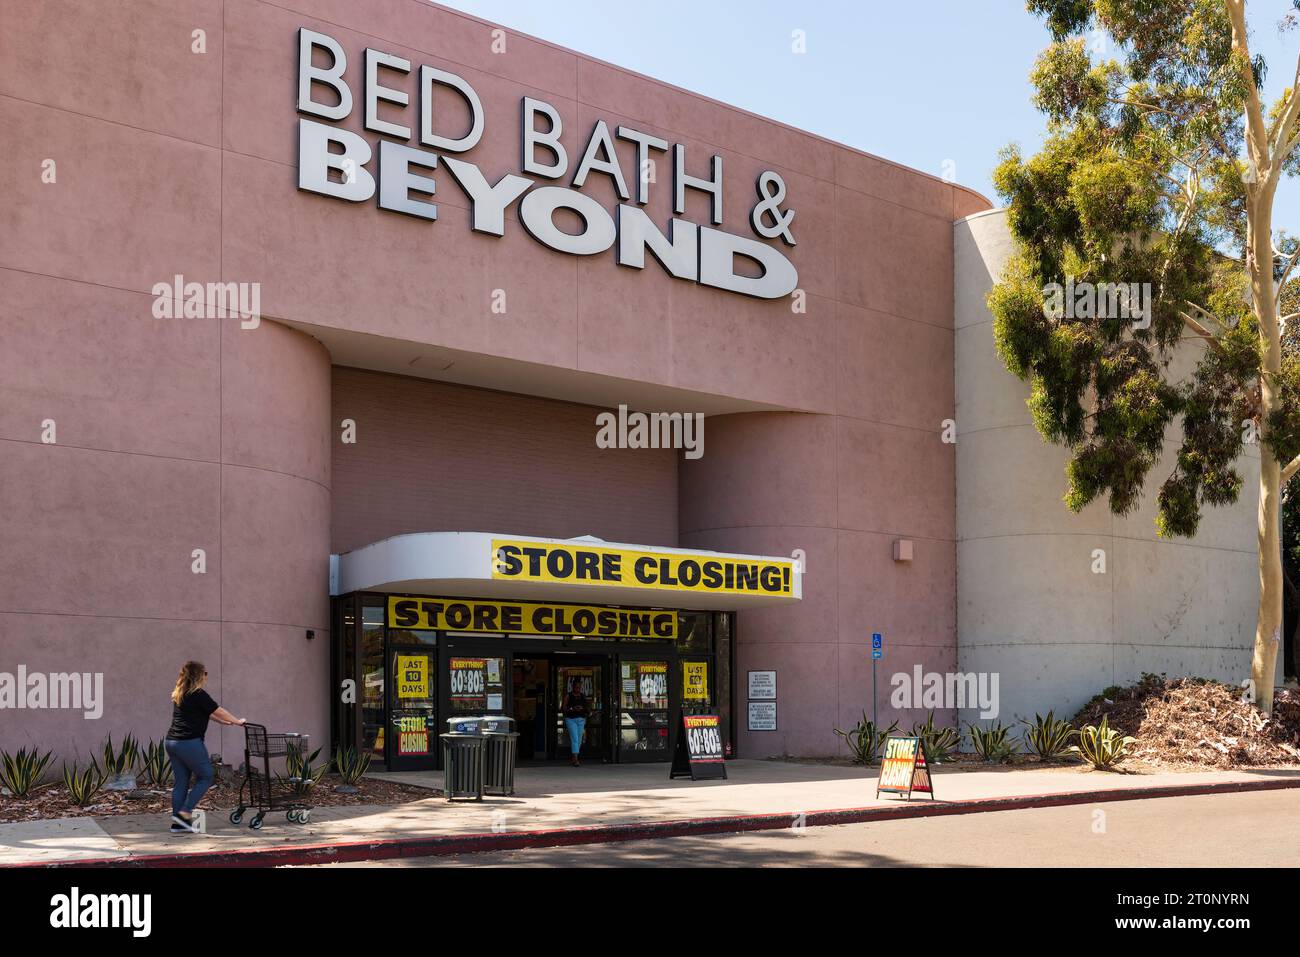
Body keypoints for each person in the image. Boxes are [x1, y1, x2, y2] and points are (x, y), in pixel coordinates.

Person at [165, 661, 245, 833]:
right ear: (198, 675)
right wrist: (237, 721)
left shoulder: (181, 693)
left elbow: (205, 713)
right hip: (189, 742)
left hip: (172, 742)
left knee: (181, 781)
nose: (206, 676)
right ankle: (184, 813)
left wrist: (224, 722)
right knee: (206, 776)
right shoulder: (198, 694)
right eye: (205, 673)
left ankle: (178, 825)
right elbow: (218, 709)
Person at [562, 677, 590, 767]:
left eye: (579, 687)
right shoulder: (568, 696)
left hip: (581, 719)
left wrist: (583, 709)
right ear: (573, 687)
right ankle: (576, 760)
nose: (578, 689)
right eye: (576, 687)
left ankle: (574, 757)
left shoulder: (583, 696)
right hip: (571, 719)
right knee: (575, 738)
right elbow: (563, 708)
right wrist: (572, 708)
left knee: (579, 740)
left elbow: (586, 707)